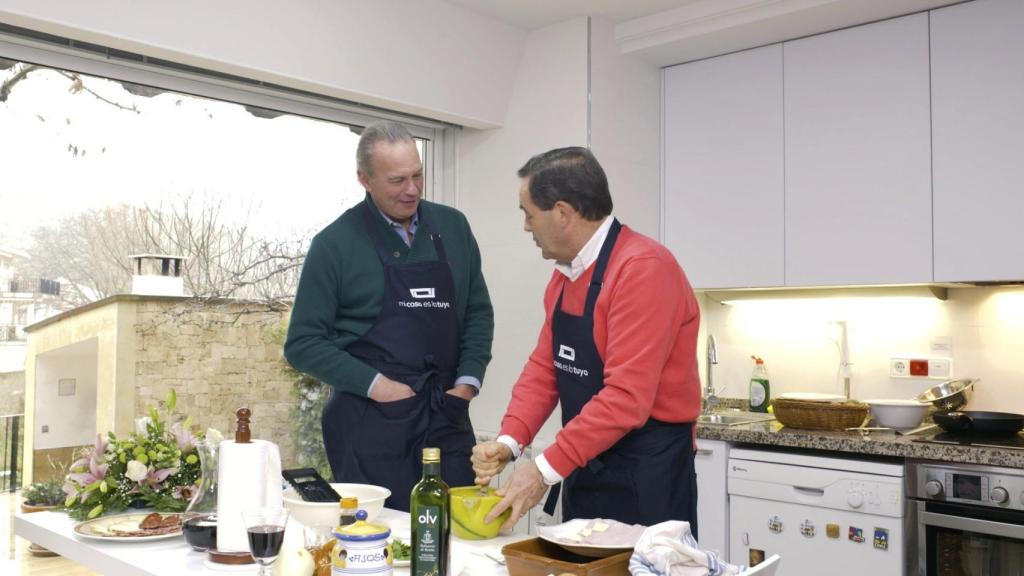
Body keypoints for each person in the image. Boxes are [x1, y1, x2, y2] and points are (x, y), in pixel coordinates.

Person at [472, 146, 701, 532]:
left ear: (562, 213)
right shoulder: (566, 275)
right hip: (585, 461)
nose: (526, 227)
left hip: (646, 472)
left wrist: (543, 470)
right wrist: (510, 441)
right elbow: (546, 368)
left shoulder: (644, 269)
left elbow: (626, 399)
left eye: (529, 215)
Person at [285, 121, 494, 511]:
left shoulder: (453, 227)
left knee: (454, 533)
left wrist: (467, 382)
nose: (412, 189)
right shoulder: (335, 244)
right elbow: (302, 344)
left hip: (446, 414)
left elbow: (478, 312)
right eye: (398, 180)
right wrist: (378, 386)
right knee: (377, 540)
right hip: (370, 424)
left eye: (418, 175)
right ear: (364, 179)